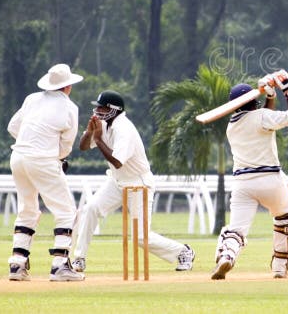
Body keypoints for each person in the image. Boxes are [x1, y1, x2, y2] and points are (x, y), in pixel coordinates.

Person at [70, 90, 195, 273]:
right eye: (97, 107)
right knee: (90, 208)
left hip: (138, 183)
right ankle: (79, 259)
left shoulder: (124, 129)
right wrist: (90, 133)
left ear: (114, 110)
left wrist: (97, 138)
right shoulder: (103, 125)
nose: (97, 111)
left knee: (140, 237)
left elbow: (117, 162)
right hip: (117, 181)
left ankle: (183, 251)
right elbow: (82, 147)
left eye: (102, 108)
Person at [211, 70, 288, 280]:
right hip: (271, 182)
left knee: (237, 229)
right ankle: (279, 267)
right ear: (253, 101)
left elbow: (260, 119)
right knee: (283, 218)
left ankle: (227, 254)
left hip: (243, 184)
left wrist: (270, 97)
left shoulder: (231, 126)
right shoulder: (262, 117)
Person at [7, 63, 85, 282]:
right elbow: (67, 145)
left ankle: (17, 264)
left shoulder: (32, 99)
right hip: (41, 159)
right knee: (67, 211)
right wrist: (53, 157)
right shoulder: (70, 108)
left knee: (27, 210)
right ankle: (60, 265)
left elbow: (13, 128)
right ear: (68, 86)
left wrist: (31, 145)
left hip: (18, 157)